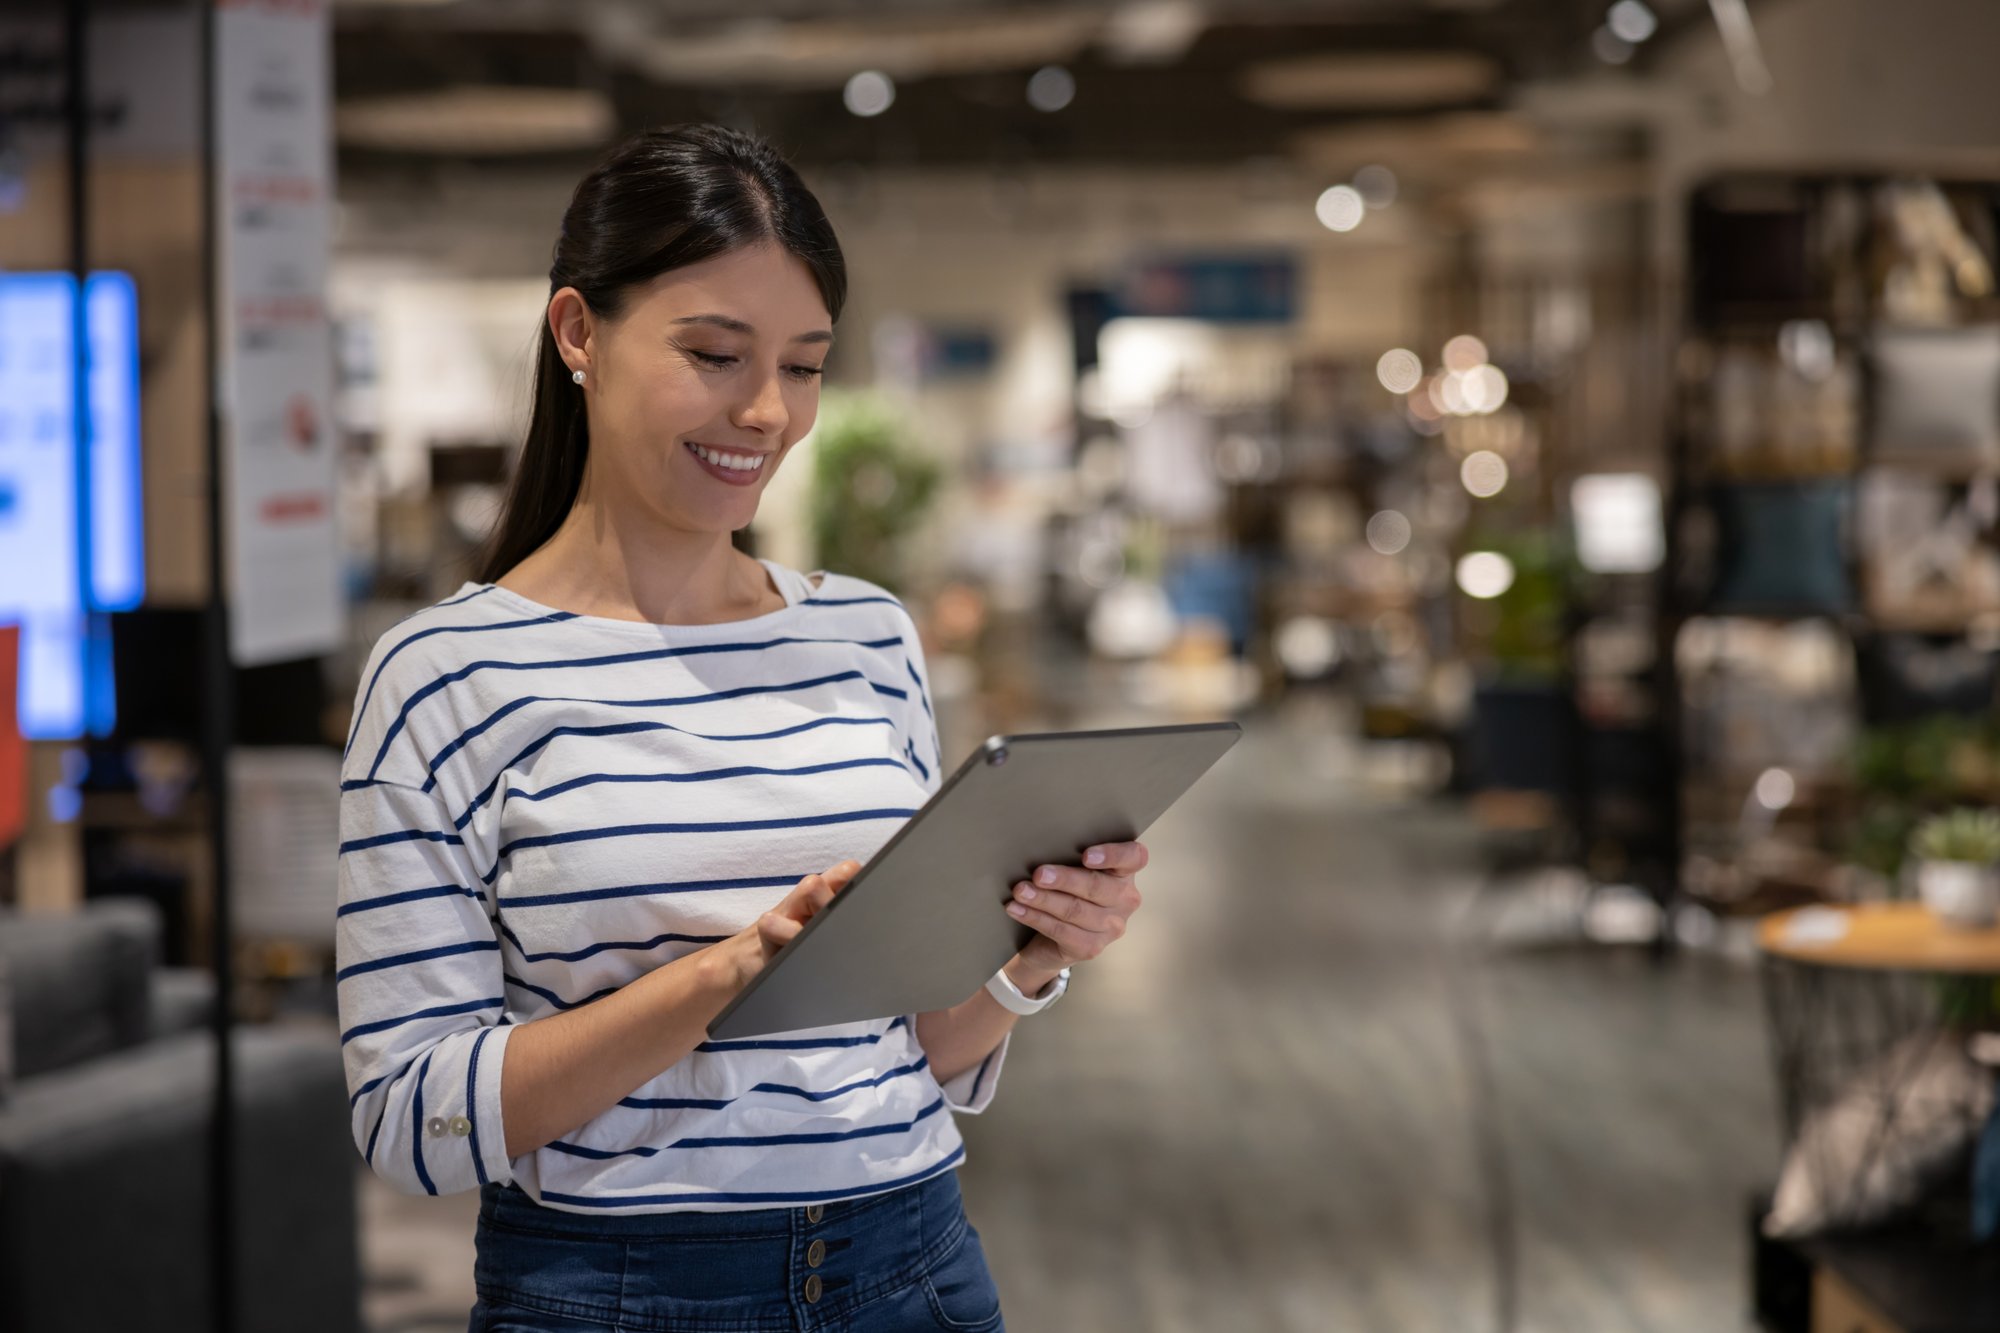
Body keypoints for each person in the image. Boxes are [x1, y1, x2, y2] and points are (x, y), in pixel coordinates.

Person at [334, 123, 1151, 1333]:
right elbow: (412, 1119)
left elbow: (914, 1049)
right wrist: (726, 978)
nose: (766, 411)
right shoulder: (443, 675)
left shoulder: (867, 637)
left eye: (806, 365)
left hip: (911, 1265)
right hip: (619, 1291)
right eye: (716, 354)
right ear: (577, 335)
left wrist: (1033, 955)